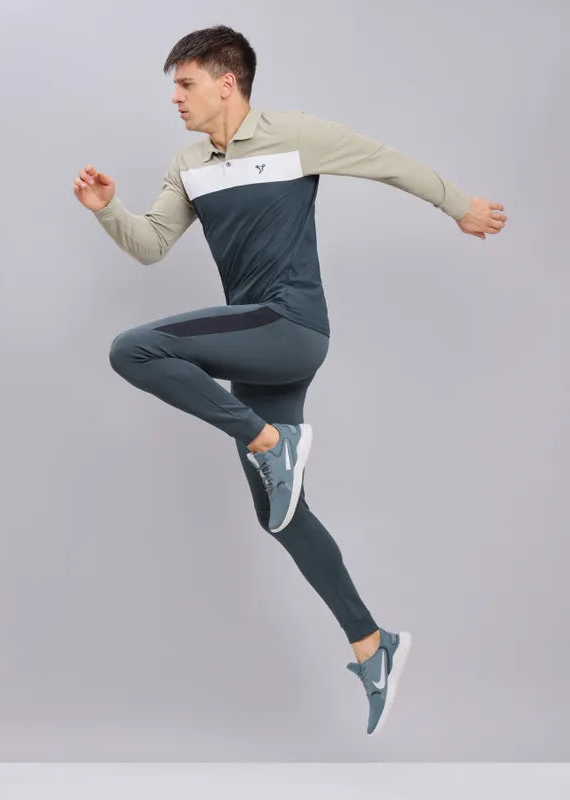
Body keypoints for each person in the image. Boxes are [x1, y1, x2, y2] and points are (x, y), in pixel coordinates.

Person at [73, 25, 506, 736]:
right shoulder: (189, 164)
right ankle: (373, 644)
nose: (175, 98)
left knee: (134, 349)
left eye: (185, 84)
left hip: (291, 325)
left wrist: (460, 207)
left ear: (227, 83)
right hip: (257, 343)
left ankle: (272, 441)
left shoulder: (294, 135)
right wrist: (108, 213)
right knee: (279, 512)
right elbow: (152, 244)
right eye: (174, 87)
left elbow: (385, 163)